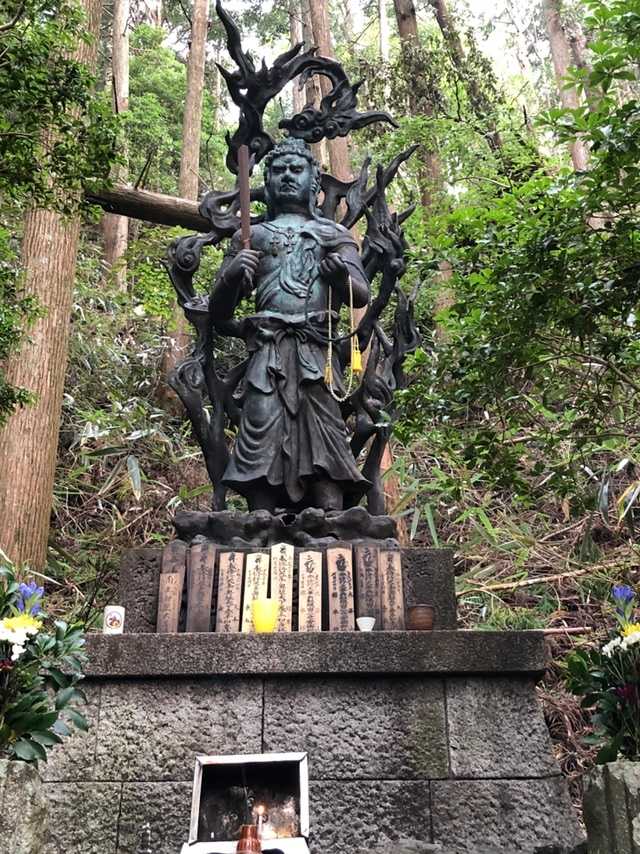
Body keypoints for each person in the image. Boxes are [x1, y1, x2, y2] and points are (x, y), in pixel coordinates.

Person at [210, 138, 370, 513]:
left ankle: (330, 513)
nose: (286, 176)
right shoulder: (252, 236)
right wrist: (232, 277)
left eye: (296, 169)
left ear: (313, 181)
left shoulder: (333, 234)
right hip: (267, 348)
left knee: (323, 427)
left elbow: (360, 294)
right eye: (278, 170)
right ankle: (259, 515)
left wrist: (339, 276)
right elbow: (219, 312)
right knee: (262, 422)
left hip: (316, 348)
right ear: (266, 181)